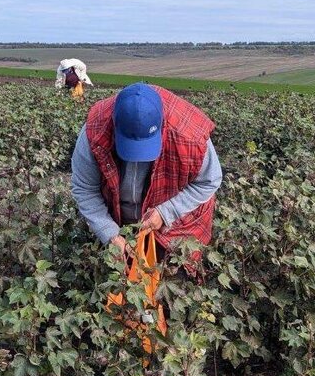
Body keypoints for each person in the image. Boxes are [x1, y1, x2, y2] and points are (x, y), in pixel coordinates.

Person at [71, 82, 222, 266]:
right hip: (116, 217)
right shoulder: (94, 131)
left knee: (173, 275)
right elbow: (85, 189)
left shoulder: (189, 135)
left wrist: (166, 212)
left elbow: (209, 181)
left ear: (162, 126)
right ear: (114, 125)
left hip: (177, 221)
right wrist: (109, 233)